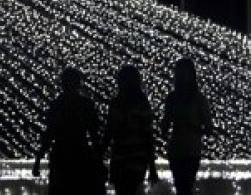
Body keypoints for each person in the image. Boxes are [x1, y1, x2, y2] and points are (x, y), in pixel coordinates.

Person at [33, 67, 103, 194]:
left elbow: (49, 134)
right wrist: (98, 160)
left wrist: (38, 159)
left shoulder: (57, 105)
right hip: (80, 155)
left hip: (62, 156)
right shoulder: (86, 104)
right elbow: (94, 136)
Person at [101, 65, 159, 195]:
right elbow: (147, 134)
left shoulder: (117, 103)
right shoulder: (141, 103)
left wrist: (100, 153)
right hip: (136, 156)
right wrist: (152, 166)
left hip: (121, 156)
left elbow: (109, 131)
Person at [160, 57, 214, 195]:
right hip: (177, 150)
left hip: (191, 150)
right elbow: (165, 126)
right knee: (181, 187)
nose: (183, 76)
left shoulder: (198, 99)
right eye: (180, 72)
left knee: (185, 187)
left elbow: (209, 128)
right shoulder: (172, 98)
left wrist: (192, 127)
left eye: (185, 72)